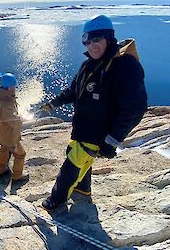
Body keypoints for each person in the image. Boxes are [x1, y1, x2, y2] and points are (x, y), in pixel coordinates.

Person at [41, 15, 147, 210]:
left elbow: (134, 108)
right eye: (87, 41)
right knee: (74, 153)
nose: (91, 45)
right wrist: (54, 103)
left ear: (109, 38)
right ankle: (83, 189)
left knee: (72, 163)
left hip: (100, 132)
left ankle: (57, 199)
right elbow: (74, 90)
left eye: (96, 40)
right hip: (83, 126)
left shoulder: (125, 67)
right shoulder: (88, 65)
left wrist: (113, 140)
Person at [0, 72, 28, 182]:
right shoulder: (6, 103)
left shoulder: (1, 97)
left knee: (4, 149)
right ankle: (17, 176)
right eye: (13, 86)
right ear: (8, 88)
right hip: (10, 134)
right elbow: (13, 122)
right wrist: (21, 118)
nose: (15, 88)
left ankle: (0, 170)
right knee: (20, 154)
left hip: (2, 132)